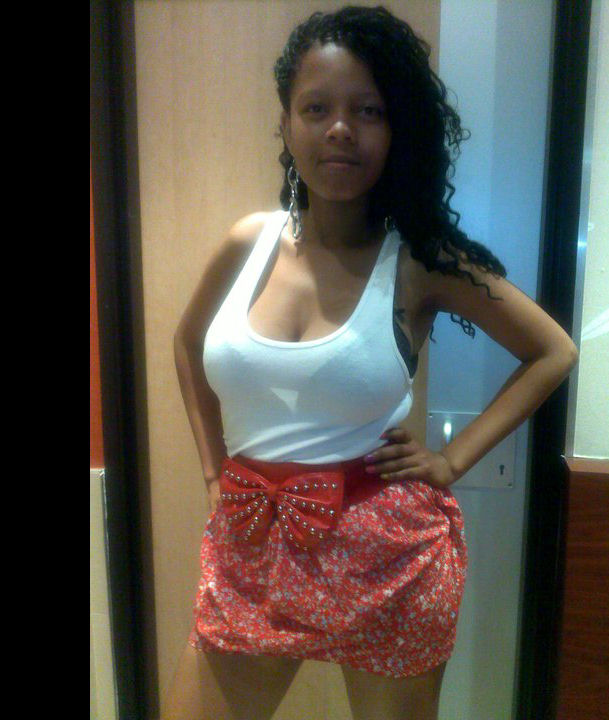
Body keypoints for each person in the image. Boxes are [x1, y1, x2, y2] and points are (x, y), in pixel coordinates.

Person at [165, 6, 578, 720]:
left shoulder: (418, 262)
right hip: (251, 540)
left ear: (396, 130)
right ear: (286, 123)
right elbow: (186, 343)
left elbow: (553, 351)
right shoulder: (246, 243)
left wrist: (450, 461)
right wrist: (211, 472)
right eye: (316, 108)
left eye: (368, 111)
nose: (340, 129)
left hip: (386, 556)